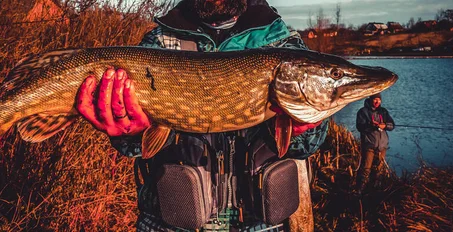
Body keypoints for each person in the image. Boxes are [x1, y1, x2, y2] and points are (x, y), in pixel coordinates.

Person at [75, 0, 329, 231]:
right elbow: (135, 146)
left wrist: (303, 129)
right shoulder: (158, 43)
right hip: (170, 225)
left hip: (261, 226)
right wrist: (130, 132)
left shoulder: (283, 44)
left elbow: (308, 146)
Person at [355, 93, 395, 193]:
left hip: (382, 146)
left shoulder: (383, 112)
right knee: (366, 169)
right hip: (369, 145)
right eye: (375, 100)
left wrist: (385, 126)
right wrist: (371, 125)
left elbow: (392, 125)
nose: (377, 102)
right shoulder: (363, 112)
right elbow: (360, 127)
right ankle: (360, 191)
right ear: (371, 100)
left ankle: (375, 190)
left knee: (379, 170)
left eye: (379, 100)